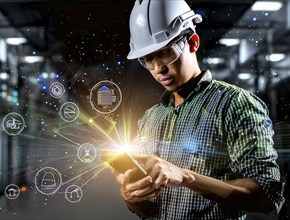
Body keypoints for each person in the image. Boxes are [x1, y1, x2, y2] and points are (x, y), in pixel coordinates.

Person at [110, 0, 285, 219]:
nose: (158, 68)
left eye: (166, 52)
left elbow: (267, 197)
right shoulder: (150, 118)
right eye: (147, 59)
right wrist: (132, 195)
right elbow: (150, 211)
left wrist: (186, 177)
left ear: (192, 42)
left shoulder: (236, 104)